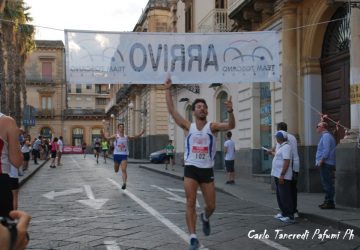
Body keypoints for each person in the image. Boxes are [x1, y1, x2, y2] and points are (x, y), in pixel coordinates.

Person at [165, 76, 235, 250]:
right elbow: (173, 111)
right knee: (190, 201)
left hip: (207, 170)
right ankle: (193, 237)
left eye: (204, 107)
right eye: (198, 107)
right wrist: (167, 89)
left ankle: (205, 217)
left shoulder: (213, 127)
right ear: (194, 112)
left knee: (211, 206)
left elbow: (231, 126)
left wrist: (231, 111)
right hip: (191, 168)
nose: (201, 109)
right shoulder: (188, 126)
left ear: (207, 111)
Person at [102, 124, 144, 190]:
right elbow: (107, 138)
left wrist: (141, 133)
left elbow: (134, 137)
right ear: (118, 129)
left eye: (123, 127)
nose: (122, 128)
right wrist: (103, 133)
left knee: (124, 170)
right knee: (116, 170)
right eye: (120, 127)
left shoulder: (126, 137)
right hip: (116, 155)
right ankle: (116, 167)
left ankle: (124, 183)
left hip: (124, 155)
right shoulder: (116, 136)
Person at [0, 113, 23, 217]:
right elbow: (17, 162)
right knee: (4, 230)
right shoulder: (7, 121)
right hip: (1, 181)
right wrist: (16, 137)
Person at [276, 122, 300, 217]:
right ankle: (294, 211)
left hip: (285, 168)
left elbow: (281, 155)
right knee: (292, 190)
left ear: (279, 129)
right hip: (295, 165)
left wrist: (281, 174)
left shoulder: (282, 137)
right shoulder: (293, 137)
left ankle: (286, 212)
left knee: (284, 192)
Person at [271, 130, 294, 223]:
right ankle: (284, 213)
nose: (275, 138)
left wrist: (282, 175)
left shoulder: (286, 147)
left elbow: (287, 161)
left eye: (276, 137)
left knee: (285, 196)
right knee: (280, 195)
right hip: (277, 175)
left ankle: (289, 215)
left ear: (280, 138)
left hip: (283, 176)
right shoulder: (281, 146)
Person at [316, 121, 336, 209]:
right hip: (327, 163)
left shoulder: (326, 136)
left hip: (326, 163)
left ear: (323, 127)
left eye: (318, 126)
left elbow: (326, 150)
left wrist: (321, 161)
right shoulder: (326, 136)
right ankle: (327, 201)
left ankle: (329, 202)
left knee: (327, 183)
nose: (316, 128)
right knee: (327, 183)